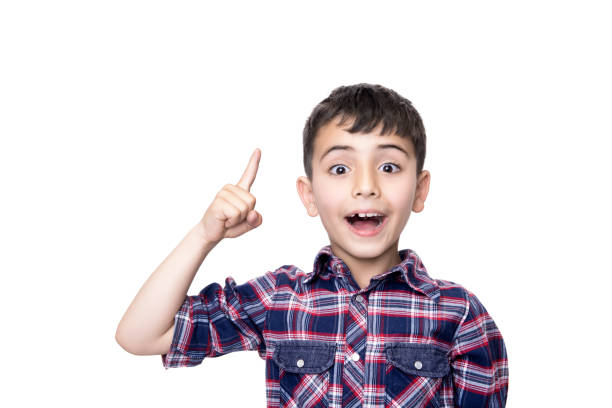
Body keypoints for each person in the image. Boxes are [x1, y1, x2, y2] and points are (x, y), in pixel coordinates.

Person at [115, 83, 509, 407]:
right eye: (340, 168)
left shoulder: (461, 315)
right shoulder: (278, 300)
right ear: (309, 195)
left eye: (388, 167)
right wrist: (204, 235)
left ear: (419, 191)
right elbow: (141, 335)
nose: (366, 185)